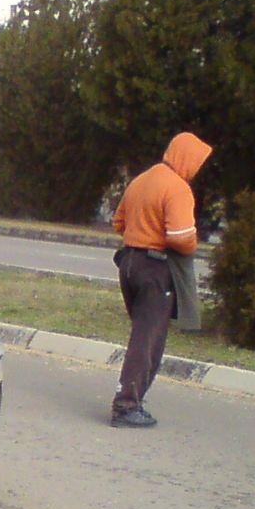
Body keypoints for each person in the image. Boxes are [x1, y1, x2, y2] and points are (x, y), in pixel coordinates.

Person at [109, 132, 212, 428]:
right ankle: (126, 406)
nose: (197, 169)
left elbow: (118, 222)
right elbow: (180, 237)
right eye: (197, 162)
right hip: (156, 269)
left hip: (129, 263)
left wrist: (140, 233)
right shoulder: (178, 188)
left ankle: (131, 400)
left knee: (141, 334)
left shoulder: (141, 180)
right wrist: (192, 243)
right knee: (148, 340)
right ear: (186, 158)